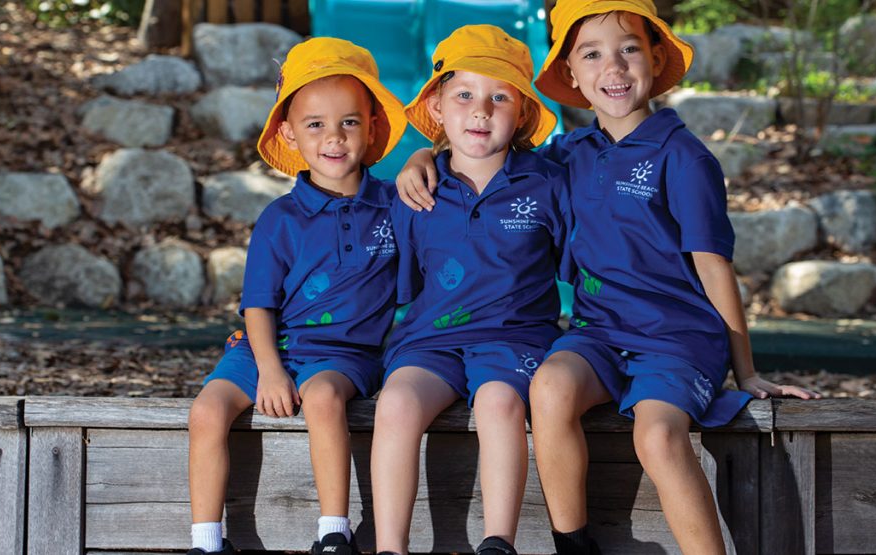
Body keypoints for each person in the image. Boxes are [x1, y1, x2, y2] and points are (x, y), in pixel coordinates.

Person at [394, 1, 820, 553]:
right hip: (598, 335)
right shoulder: (569, 154)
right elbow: (484, 147)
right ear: (571, 73)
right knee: (549, 386)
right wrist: (423, 154)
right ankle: (574, 543)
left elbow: (715, 266)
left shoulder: (684, 158)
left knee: (658, 436)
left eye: (629, 50)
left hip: (676, 339)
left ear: (656, 56)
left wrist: (747, 371)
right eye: (591, 54)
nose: (612, 68)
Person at [185, 37, 406, 555]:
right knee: (206, 411)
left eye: (349, 121)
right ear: (289, 132)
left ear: (372, 124)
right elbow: (258, 304)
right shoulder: (280, 220)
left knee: (324, 399)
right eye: (315, 125)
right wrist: (268, 369)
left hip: (345, 356)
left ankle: (333, 533)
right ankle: (206, 541)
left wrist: (420, 159)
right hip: (266, 348)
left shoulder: (396, 206)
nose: (334, 137)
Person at [370, 24, 572, 555]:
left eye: (499, 97)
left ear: (523, 114)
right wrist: (419, 158)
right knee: (395, 403)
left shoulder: (548, 183)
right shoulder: (416, 191)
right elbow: (405, 284)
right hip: (430, 340)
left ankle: (497, 543)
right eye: (464, 95)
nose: (480, 110)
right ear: (436, 107)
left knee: (499, 402)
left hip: (516, 340)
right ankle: (390, 546)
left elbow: (575, 264)